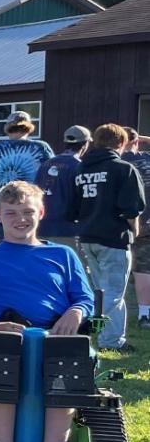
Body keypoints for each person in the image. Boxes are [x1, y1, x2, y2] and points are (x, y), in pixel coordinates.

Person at [0, 180, 92, 442]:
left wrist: (75, 312)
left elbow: (84, 297)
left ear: (41, 212)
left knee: (67, 360)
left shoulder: (63, 255)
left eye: (27, 211)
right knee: (0, 355)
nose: (20, 219)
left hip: (56, 335)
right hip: (5, 334)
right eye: (11, 213)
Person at [68, 124, 145, 352]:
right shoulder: (123, 168)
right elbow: (132, 207)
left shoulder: (80, 170)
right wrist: (135, 230)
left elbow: (72, 208)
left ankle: (109, 337)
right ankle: (106, 339)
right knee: (112, 292)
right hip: (114, 237)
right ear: (121, 144)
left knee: (100, 289)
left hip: (87, 236)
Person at [0, 110, 54, 243]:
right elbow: (53, 175)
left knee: (4, 248)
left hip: (0, 208)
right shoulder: (41, 148)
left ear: (7, 127)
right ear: (29, 127)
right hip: (30, 206)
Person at [35, 124, 90, 252]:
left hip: (41, 227)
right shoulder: (79, 166)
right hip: (68, 230)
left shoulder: (45, 164)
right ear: (85, 143)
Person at [122, 128, 150, 330]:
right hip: (147, 219)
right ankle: (143, 314)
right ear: (137, 141)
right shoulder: (147, 159)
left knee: (137, 269)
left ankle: (142, 314)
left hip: (126, 221)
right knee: (143, 269)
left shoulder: (117, 162)